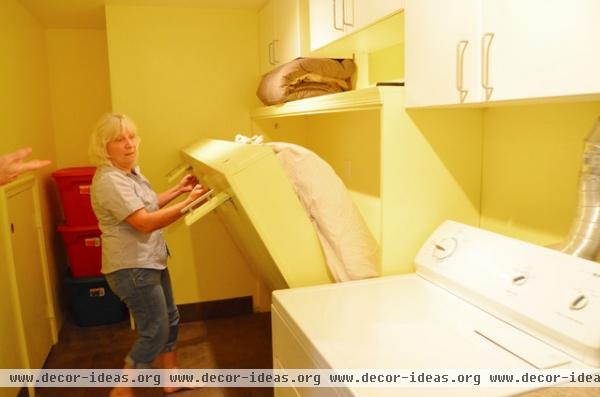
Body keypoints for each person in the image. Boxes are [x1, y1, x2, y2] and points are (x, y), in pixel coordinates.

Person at [89, 113, 205, 396]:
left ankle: (170, 378)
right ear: (104, 147)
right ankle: (124, 387)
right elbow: (143, 222)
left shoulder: (129, 173)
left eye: (132, 136)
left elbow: (147, 205)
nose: (129, 144)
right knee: (155, 329)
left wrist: (180, 190)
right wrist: (190, 203)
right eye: (119, 139)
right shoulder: (110, 181)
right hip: (132, 268)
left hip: (150, 260)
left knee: (170, 318)